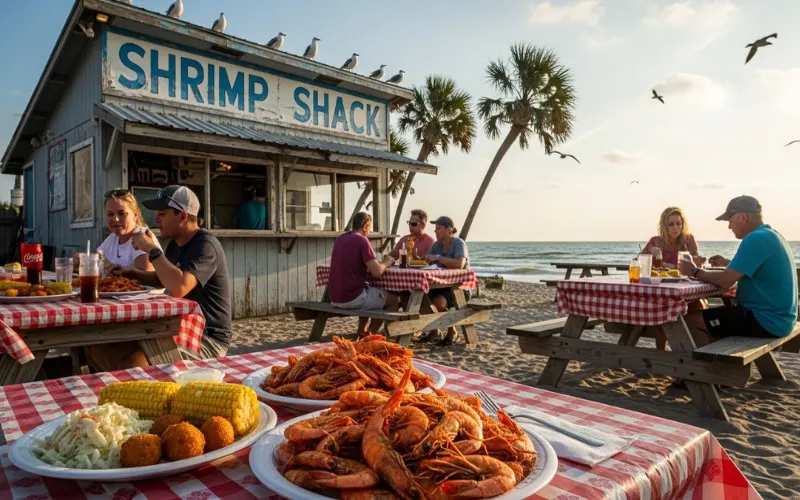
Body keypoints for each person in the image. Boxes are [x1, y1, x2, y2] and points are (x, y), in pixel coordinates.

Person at [91, 185, 232, 372]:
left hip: (206, 338)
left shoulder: (206, 245)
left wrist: (153, 250)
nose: (156, 219)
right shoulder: (176, 244)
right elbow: (162, 279)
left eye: (162, 213)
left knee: (132, 360)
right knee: (99, 346)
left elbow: (179, 287)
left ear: (182, 216)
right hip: (176, 325)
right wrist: (129, 273)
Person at [679, 196, 798, 347]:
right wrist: (728, 264)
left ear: (742, 217)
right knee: (705, 315)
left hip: (765, 321)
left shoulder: (755, 238)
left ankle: (707, 369)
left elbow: (725, 281)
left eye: (730, 220)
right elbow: (756, 269)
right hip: (781, 319)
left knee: (689, 322)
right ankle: (719, 365)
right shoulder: (772, 235)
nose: (729, 227)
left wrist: (694, 271)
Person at [328, 212, 399, 337]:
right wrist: (387, 262)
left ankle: (361, 331)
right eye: (369, 228)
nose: (369, 231)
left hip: (334, 298)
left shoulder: (340, 238)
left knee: (370, 292)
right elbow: (377, 272)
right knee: (393, 300)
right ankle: (369, 337)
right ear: (365, 226)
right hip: (351, 298)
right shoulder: (362, 241)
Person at [74, 189, 162, 273]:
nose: (115, 219)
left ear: (135, 215)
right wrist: (83, 260)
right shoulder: (113, 237)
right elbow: (98, 258)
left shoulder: (142, 236)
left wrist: (108, 265)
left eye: (122, 213)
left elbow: (147, 277)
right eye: (110, 214)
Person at [422, 216, 470, 346]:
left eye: (438, 228)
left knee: (438, 302)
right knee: (420, 299)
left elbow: (460, 264)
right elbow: (427, 259)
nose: (435, 231)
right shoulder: (437, 245)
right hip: (439, 285)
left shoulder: (458, 243)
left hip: (459, 287)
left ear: (449, 230)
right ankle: (435, 332)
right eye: (435, 228)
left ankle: (452, 331)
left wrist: (437, 257)